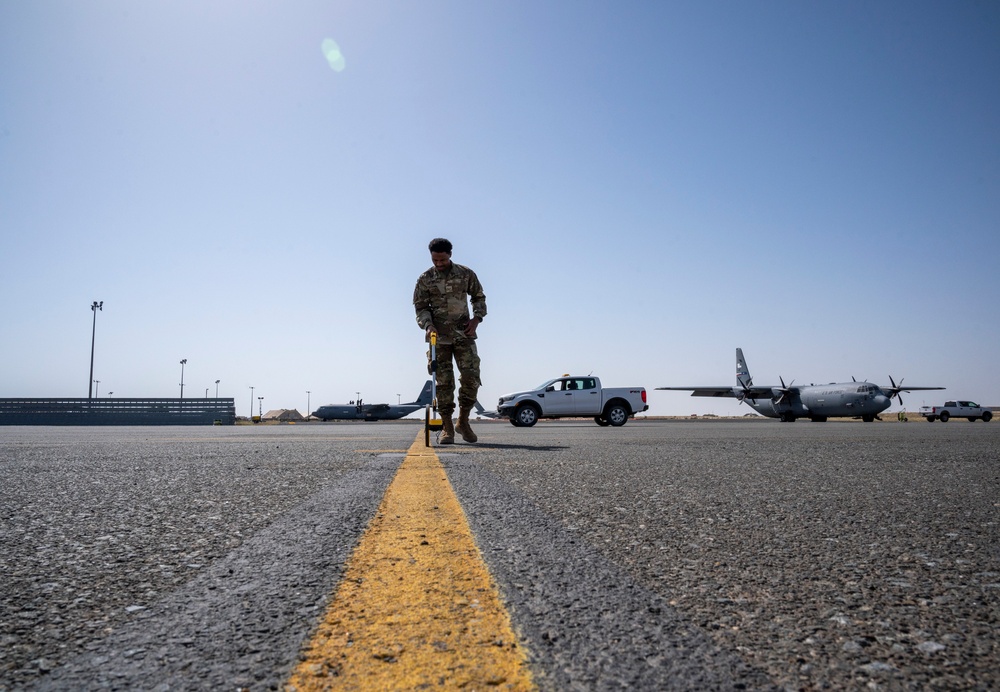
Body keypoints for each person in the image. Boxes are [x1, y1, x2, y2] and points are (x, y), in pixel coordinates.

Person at [413, 238, 487, 444]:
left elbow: (479, 297)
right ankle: (447, 427)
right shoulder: (425, 279)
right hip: (439, 338)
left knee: (471, 377)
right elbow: (420, 307)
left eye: (442, 259)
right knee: (444, 383)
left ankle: (463, 421)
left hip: (464, 334)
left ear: (450, 255)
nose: (439, 263)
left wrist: (477, 319)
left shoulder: (466, 274)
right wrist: (428, 325)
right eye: (435, 260)